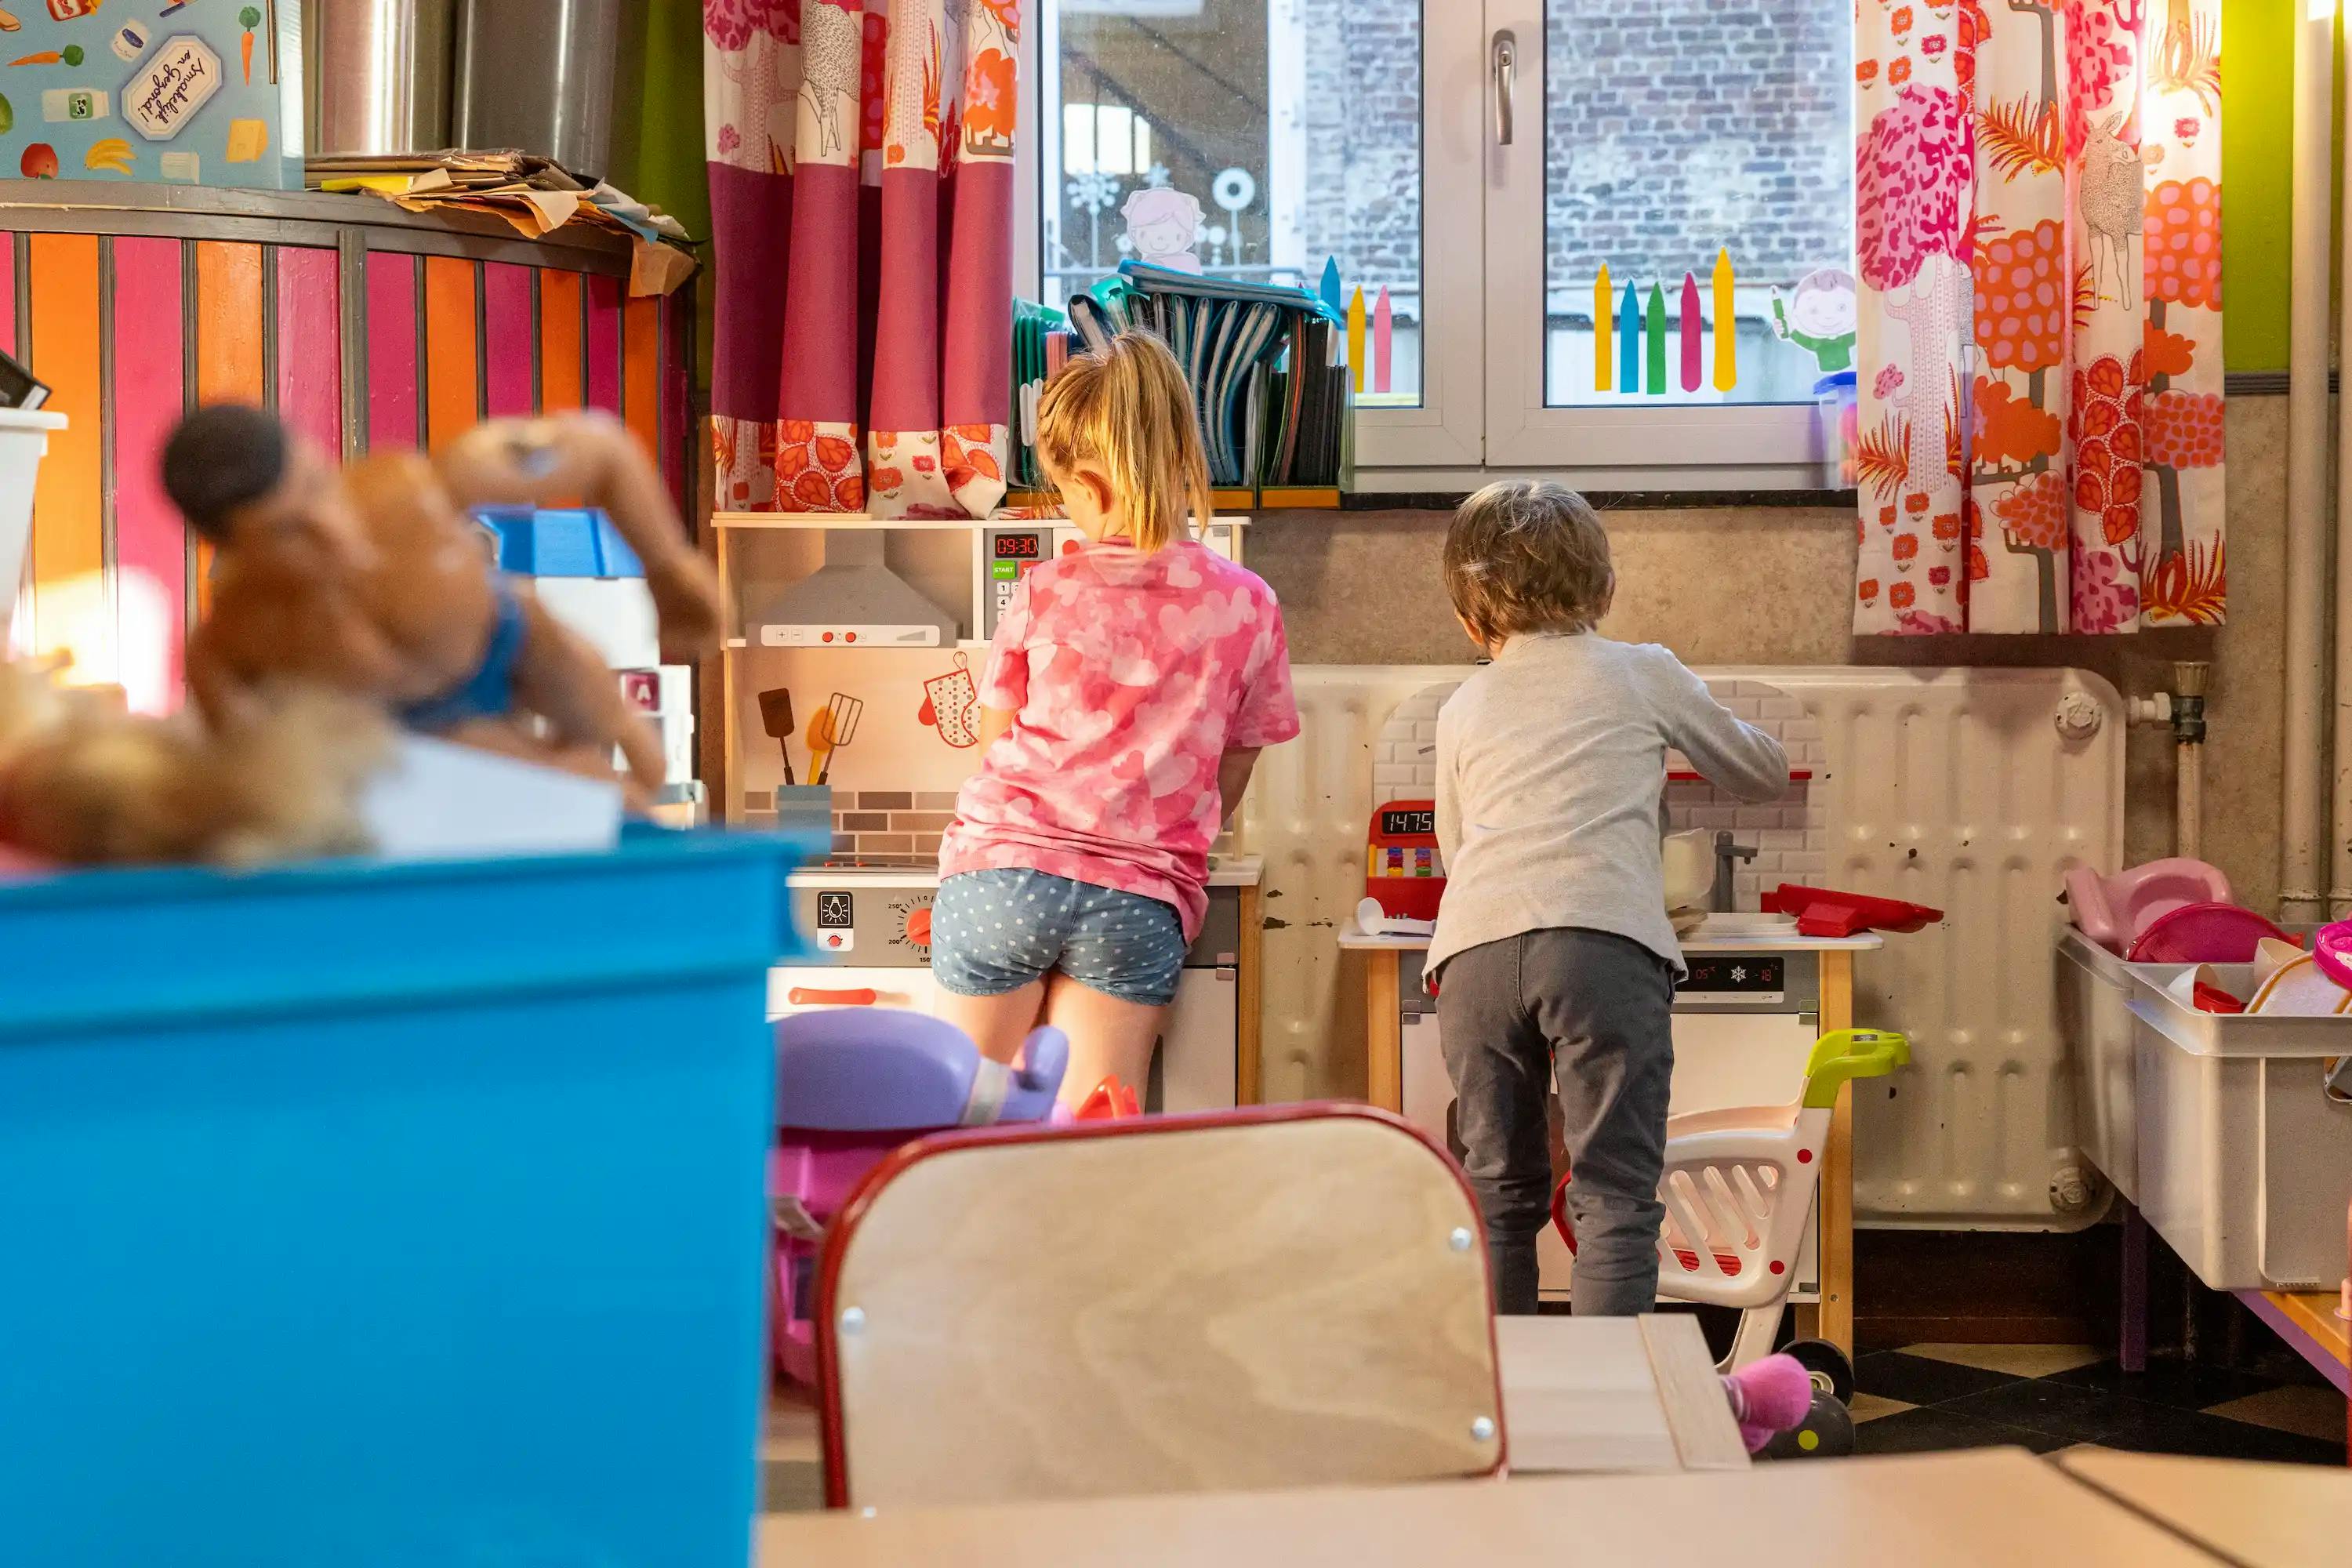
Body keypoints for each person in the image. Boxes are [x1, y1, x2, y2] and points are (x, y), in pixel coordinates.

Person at [1428, 481, 1788, 1316]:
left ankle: (1504, 1409)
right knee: (1614, 1198)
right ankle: (1611, 1422)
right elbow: (1761, 773)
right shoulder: (1642, 671)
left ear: (1470, 621)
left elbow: (1457, 849)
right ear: (1604, 590)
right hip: (1602, 947)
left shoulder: (1462, 704)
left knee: (1498, 1196)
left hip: (1475, 954)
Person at [933, 332, 1298, 1105]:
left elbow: (992, 740)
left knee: (968, 1124)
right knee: (1093, 1129)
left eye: (1065, 490)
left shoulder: (1043, 588)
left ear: (1091, 487)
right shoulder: (1247, 603)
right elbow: (1238, 760)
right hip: (1138, 894)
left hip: (1005, 875)